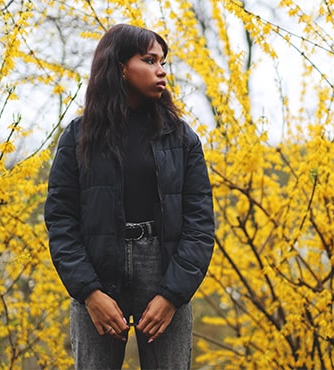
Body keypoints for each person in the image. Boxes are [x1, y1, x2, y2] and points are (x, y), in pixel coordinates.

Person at [44, 23, 215, 370]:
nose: (162, 70)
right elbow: (61, 221)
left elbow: (200, 225)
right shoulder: (78, 137)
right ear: (120, 66)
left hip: (165, 270)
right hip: (99, 271)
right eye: (149, 60)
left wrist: (171, 295)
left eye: (163, 61)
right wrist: (90, 294)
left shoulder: (182, 139)